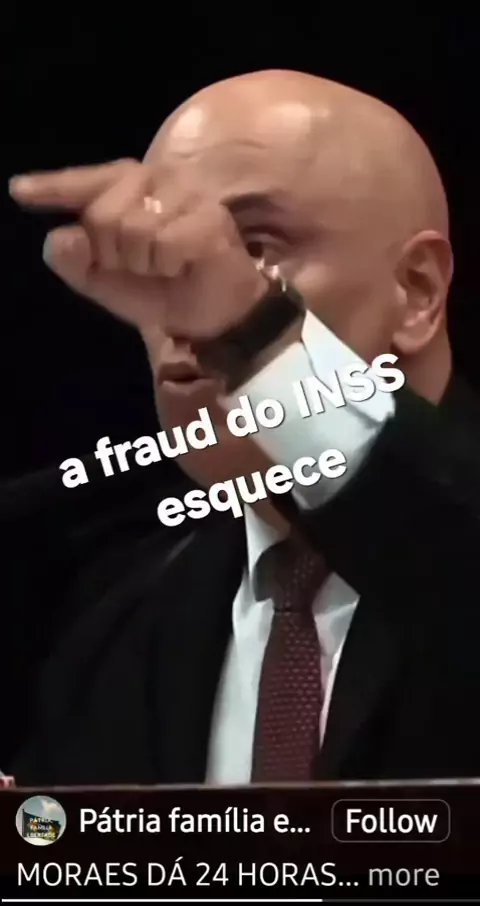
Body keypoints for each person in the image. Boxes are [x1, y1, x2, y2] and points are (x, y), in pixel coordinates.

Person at [3, 69, 480, 786]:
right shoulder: (112, 624)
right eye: (157, 253)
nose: (179, 299)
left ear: (416, 291)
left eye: (252, 247)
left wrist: (252, 331)